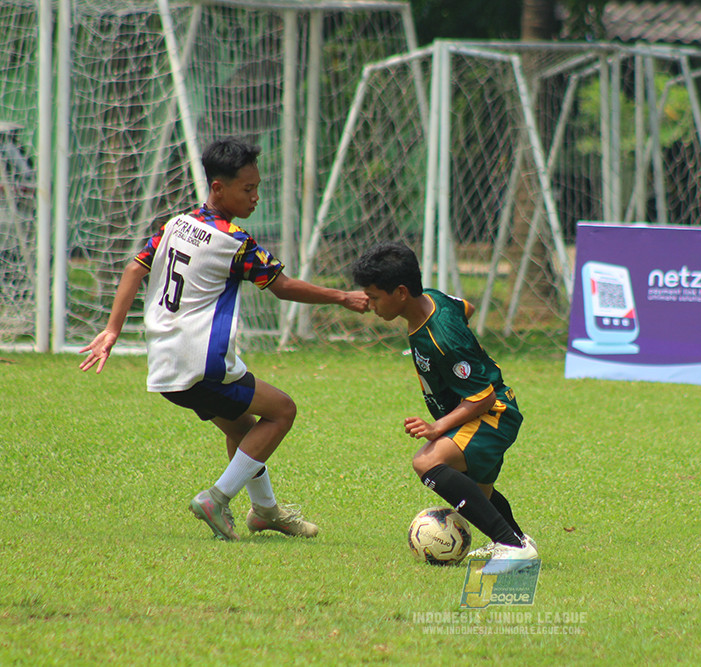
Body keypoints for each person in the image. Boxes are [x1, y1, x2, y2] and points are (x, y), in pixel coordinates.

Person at [79, 136, 368, 541]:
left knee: (244, 430)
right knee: (283, 411)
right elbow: (283, 287)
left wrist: (112, 330)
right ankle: (216, 498)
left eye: (257, 188)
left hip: (165, 365)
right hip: (203, 364)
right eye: (247, 189)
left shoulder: (175, 224)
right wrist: (343, 297)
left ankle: (265, 511)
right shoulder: (234, 242)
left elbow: (133, 270)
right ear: (218, 187)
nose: (255, 197)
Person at [351, 241, 537, 575]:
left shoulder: (443, 338)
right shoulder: (432, 299)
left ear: (401, 292)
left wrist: (437, 427)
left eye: (375, 297)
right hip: (481, 410)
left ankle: (511, 546)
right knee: (479, 491)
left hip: (493, 413)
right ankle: (519, 541)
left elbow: (482, 397)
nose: (370, 304)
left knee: (426, 461)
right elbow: (465, 307)